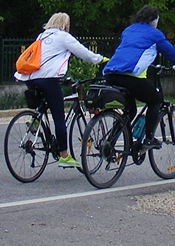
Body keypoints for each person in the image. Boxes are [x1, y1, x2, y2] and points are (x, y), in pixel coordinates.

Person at [14, 12, 107, 167]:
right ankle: (64, 156)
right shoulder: (63, 37)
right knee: (58, 116)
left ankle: (35, 120)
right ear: (65, 25)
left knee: (44, 102)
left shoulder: (41, 36)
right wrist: (100, 59)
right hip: (49, 79)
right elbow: (83, 53)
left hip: (30, 77)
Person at [103, 5, 175, 147]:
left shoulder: (128, 30)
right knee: (155, 100)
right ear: (155, 21)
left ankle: (110, 143)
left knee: (130, 111)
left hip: (111, 74)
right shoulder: (155, 34)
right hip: (129, 77)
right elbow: (171, 53)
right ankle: (149, 139)